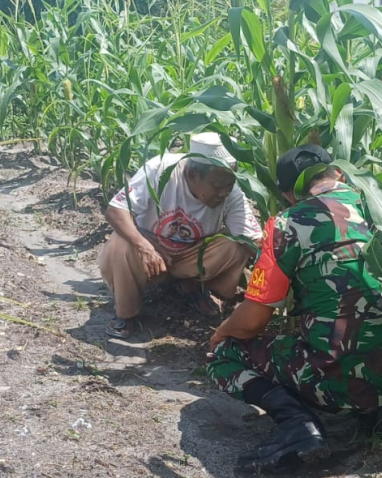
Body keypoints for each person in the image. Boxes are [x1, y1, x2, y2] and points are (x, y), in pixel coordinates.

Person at [206, 144, 382, 472]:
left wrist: (222, 333)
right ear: (340, 173)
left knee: (224, 354)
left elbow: (253, 321)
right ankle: (375, 416)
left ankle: (297, 427)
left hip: (336, 385)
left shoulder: (288, 223)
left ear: (289, 195)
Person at [98, 132, 262, 339]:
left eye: (229, 184)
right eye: (217, 186)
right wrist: (145, 247)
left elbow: (252, 240)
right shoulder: (160, 170)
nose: (224, 192)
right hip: (149, 253)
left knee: (236, 245)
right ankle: (126, 313)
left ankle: (192, 287)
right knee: (122, 242)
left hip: (192, 255)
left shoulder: (231, 193)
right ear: (192, 175)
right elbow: (116, 211)